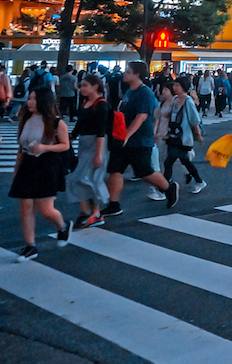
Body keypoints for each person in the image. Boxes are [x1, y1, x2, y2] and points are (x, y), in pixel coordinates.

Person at [101, 62, 179, 216]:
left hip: (140, 141)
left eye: (128, 71)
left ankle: (169, 188)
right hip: (124, 139)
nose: (125, 73)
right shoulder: (130, 91)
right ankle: (114, 204)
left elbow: (141, 117)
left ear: (137, 74)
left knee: (145, 172)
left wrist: (126, 135)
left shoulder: (145, 94)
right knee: (115, 170)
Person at [9, 87, 72, 261]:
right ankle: (30, 246)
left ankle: (62, 226)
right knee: (26, 206)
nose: (30, 102)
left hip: (47, 165)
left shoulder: (56, 123)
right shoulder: (26, 120)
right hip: (28, 165)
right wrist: (16, 169)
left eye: (34, 99)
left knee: (46, 209)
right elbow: (21, 149)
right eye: (29, 98)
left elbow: (65, 145)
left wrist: (44, 147)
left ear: (44, 101)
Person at [65, 74, 110, 229]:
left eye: (85, 85)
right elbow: (79, 125)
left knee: (84, 178)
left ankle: (94, 213)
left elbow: (101, 131)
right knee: (84, 179)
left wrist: (98, 154)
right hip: (84, 143)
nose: (81, 88)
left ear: (95, 86)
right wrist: (70, 138)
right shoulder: (85, 103)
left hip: (96, 144)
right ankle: (90, 212)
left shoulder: (101, 105)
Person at [162, 75, 205, 194]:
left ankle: (164, 187)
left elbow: (194, 120)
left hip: (183, 137)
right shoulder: (175, 99)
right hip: (174, 136)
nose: (175, 87)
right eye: (174, 85)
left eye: (177, 85)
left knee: (170, 161)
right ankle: (198, 181)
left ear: (183, 87)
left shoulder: (188, 101)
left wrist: (198, 134)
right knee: (182, 161)